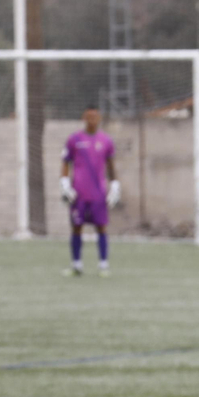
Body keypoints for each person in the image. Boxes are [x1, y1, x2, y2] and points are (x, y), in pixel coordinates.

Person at [59, 105, 121, 277]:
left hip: (98, 194)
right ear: (83, 118)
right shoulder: (74, 140)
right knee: (76, 228)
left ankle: (103, 265)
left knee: (101, 227)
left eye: (95, 116)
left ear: (99, 118)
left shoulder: (106, 141)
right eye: (89, 116)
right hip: (78, 194)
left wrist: (115, 185)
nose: (92, 120)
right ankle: (76, 265)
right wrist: (65, 184)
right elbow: (65, 162)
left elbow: (111, 166)